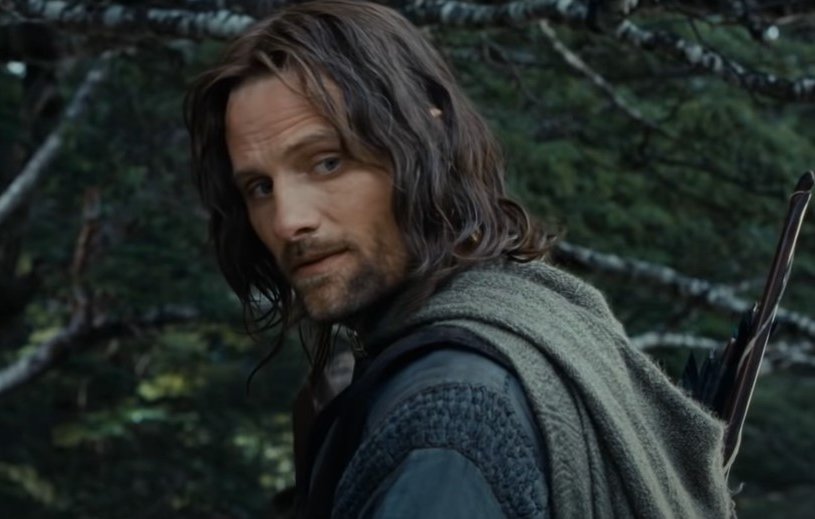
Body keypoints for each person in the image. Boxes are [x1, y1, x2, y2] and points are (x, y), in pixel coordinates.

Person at [184, 1, 733, 517]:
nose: (287, 220)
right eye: (259, 187)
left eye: (327, 162)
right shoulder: (526, 311)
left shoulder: (449, 421)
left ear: (429, 140)